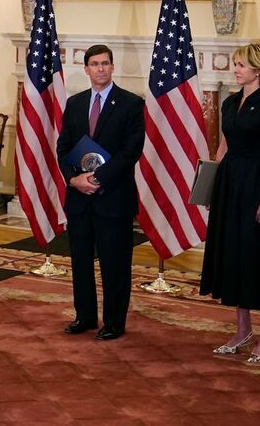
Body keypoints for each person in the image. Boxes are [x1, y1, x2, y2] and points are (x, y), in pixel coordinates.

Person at [199, 44, 260, 364]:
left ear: (258, 70)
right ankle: (242, 330)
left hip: (257, 186)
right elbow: (222, 149)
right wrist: (211, 191)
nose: (236, 69)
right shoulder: (229, 103)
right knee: (234, 256)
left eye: (242, 65)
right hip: (229, 187)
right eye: (235, 64)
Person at [56, 44, 146, 341]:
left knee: (114, 263)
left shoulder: (131, 104)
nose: (100, 69)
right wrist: (74, 181)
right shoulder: (75, 103)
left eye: (105, 63)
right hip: (79, 198)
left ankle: (114, 322)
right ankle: (84, 316)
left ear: (112, 67)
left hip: (113, 198)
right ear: (86, 69)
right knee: (80, 260)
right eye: (94, 64)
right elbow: (64, 148)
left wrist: (96, 178)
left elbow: (130, 152)